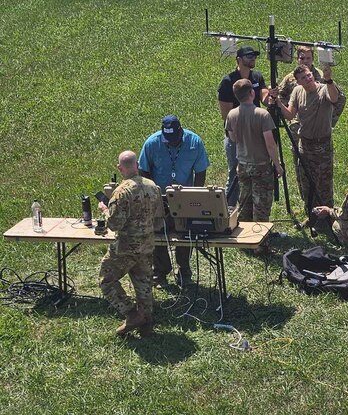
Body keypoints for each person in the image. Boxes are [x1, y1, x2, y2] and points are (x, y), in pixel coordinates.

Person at [138, 115, 209, 286]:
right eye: (166, 139)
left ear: (181, 132)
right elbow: (143, 171)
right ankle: (160, 272)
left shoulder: (194, 142)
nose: (170, 142)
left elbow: (200, 172)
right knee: (157, 234)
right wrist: (153, 193)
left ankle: (184, 271)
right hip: (159, 198)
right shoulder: (152, 143)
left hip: (185, 197)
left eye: (174, 138)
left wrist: (194, 195)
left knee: (186, 234)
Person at [98, 150, 163, 337]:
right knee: (143, 284)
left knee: (106, 281)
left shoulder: (121, 192)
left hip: (125, 248)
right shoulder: (153, 187)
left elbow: (114, 223)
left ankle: (131, 314)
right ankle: (146, 323)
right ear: (137, 165)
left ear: (120, 168)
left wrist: (105, 210)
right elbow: (158, 218)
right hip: (147, 244)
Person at [277, 46, 346, 200]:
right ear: (298, 82)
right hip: (304, 144)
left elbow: (335, 99)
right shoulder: (296, 91)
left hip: (322, 145)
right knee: (305, 180)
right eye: (303, 78)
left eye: (309, 75)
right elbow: (289, 114)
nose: (307, 78)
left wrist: (329, 80)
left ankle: (326, 215)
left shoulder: (323, 88)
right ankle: (310, 212)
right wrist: (276, 101)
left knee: (324, 183)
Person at [225, 78, 283, 221]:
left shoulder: (231, 114)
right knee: (261, 205)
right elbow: (270, 143)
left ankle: (246, 237)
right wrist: (277, 165)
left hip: (243, 164)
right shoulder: (262, 114)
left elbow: (232, 138)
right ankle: (261, 237)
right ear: (252, 93)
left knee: (245, 202)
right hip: (261, 165)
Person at [218, 46, 269, 207]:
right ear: (239, 60)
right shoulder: (228, 82)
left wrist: (271, 94)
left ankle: (251, 206)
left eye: (254, 55)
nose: (252, 58)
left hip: (256, 134)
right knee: (235, 173)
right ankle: (230, 208)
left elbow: (264, 99)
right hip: (236, 136)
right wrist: (236, 134)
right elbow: (226, 116)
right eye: (248, 56)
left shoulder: (257, 77)